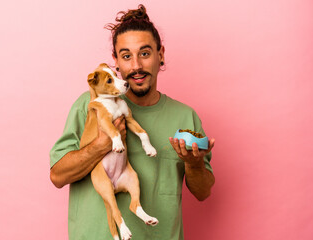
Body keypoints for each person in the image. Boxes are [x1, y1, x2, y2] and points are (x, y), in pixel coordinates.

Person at [50, 4, 215, 240]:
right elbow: (57, 176)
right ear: (116, 61)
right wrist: (101, 145)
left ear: (161, 54)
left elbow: (203, 192)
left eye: (145, 53)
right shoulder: (90, 105)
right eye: (126, 56)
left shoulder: (184, 117)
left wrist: (195, 164)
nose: (136, 66)